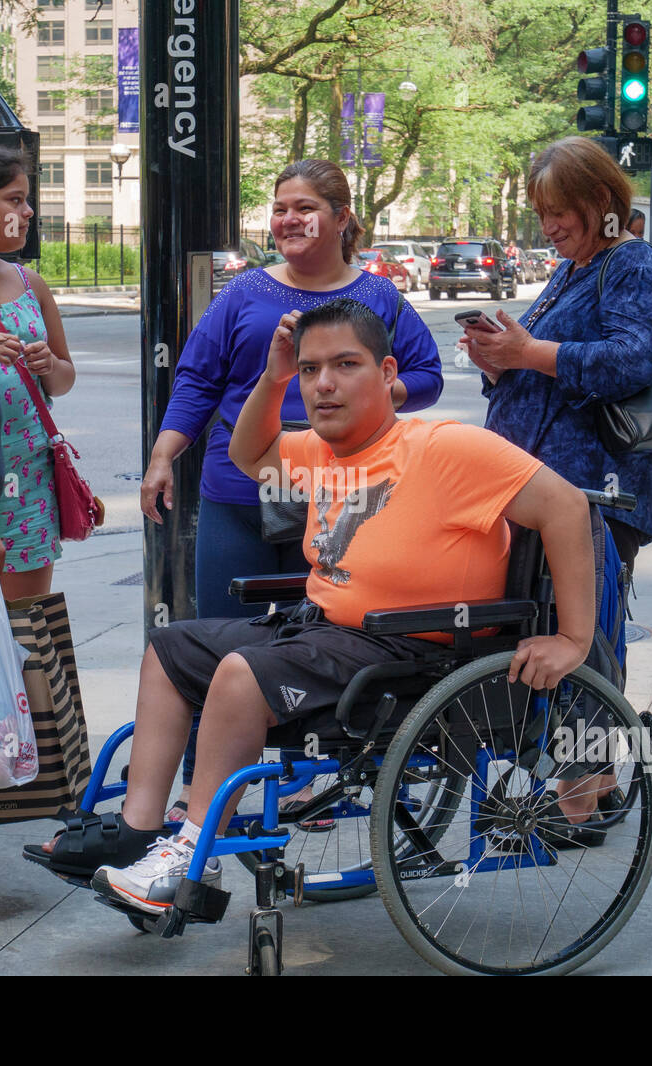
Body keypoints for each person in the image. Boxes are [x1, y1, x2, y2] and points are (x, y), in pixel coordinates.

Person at [30, 297, 597, 913]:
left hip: (416, 650)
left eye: (345, 365)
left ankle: (188, 855)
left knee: (242, 676)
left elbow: (565, 506)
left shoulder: (446, 448)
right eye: (309, 369)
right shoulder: (323, 449)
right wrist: (272, 377)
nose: (323, 384)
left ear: (387, 375)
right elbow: (250, 455)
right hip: (330, 633)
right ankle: (141, 831)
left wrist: (572, 639)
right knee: (172, 648)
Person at [139, 159, 442, 819]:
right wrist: (165, 455)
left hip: (339, 500)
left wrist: (372, 388)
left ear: (341, 218)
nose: (288, 220)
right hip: (239, 490)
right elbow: (195, 379)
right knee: (217, 642)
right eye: (280, 208)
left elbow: (426, 374)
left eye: (304, 207)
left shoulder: (379, 297)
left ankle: (313, 782)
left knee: (315, 646)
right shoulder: (244, 292)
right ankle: (203, 792)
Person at [457, 136, 652, 576]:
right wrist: (500, 365)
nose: (548, 226)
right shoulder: (573, 267)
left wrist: (529, 351)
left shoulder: (632, 262)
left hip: (588, 495)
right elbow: (542, 367)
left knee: (576, 634)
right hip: (540, 488)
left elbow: (632, 361)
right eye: (541, 214)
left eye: (558, 211)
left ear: (598, 199)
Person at [0, 145, 76, 599]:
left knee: (28, 626)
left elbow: (63, 381)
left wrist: (49, 366)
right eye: (14, 199)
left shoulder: (31, 284)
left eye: (28, 201)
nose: (27, 213)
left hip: (28, 479)